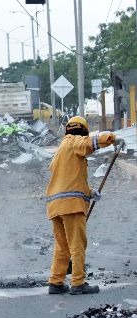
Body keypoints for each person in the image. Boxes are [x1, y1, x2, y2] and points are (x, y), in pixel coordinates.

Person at [46, 116, 123, 295]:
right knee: (77, 244)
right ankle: (78, 283)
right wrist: (113, 138)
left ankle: (56, 282)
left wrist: (89, 192)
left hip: (55, 206)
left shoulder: (61, 151)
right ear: (82, 130)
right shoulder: (74, 142)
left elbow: (69, 180)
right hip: (71, 206)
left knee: (62, 246)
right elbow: (90, 143)